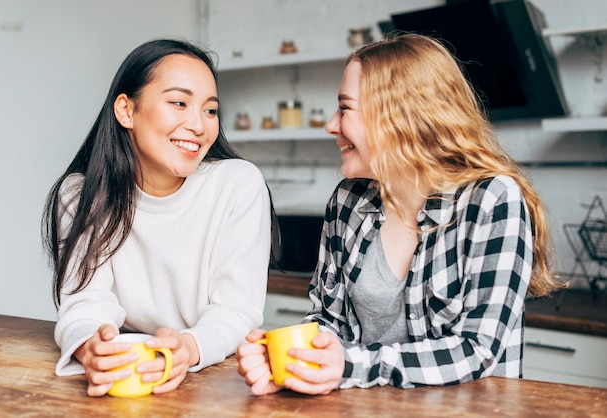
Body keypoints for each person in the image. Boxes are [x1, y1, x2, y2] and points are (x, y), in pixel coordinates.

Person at [236, 33, 563, 395]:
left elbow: (478, 350)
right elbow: (328, 320)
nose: (331, 125)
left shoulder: (491, 200)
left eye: (345, 108)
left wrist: (352, 365)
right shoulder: (347, 200)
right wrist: (291, 361)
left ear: (400, 116)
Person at [42, 38, 274, 397]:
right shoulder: (82, 194)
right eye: (179, 103)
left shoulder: (238, 184)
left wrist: (188, 347)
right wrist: (92, 348)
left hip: (213, 386)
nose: (199, 125)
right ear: (126, 111)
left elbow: (236, 310)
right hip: (129, 380)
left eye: (210, 111)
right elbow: (85, 303)